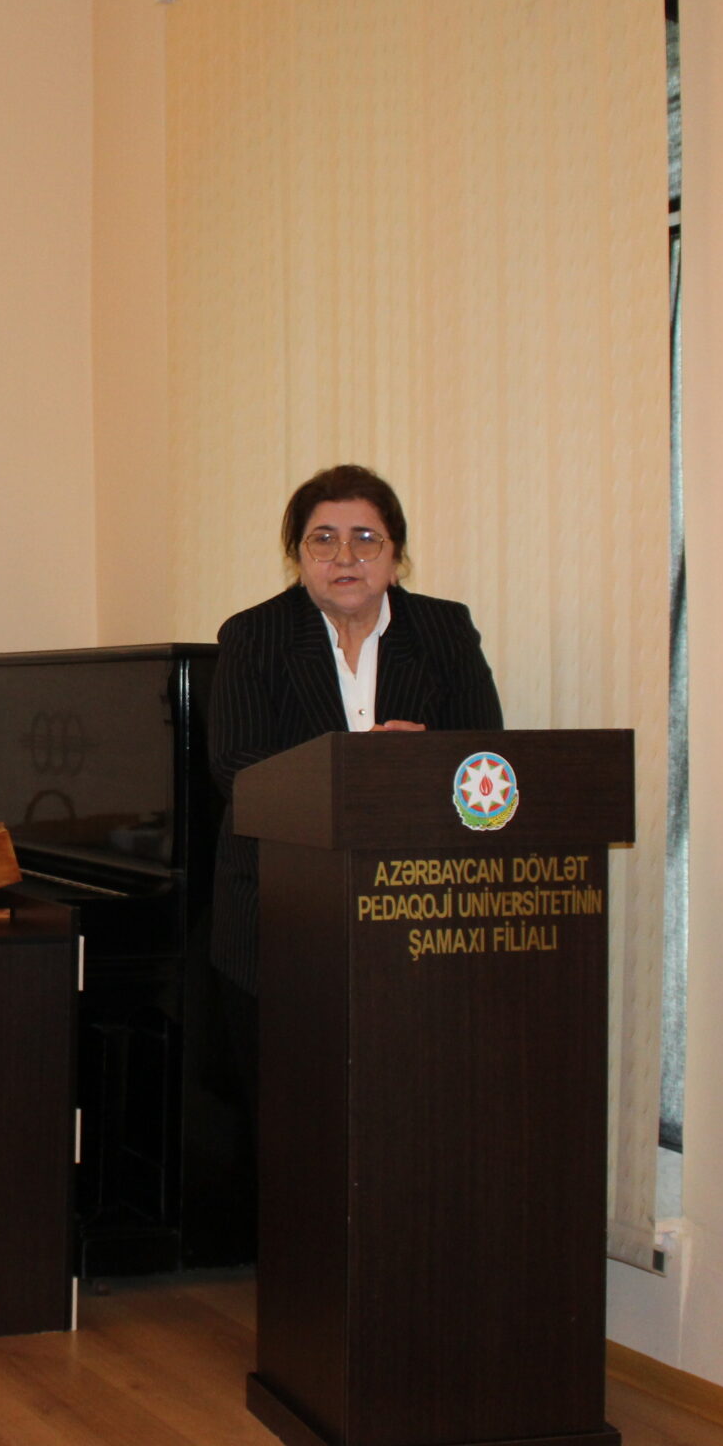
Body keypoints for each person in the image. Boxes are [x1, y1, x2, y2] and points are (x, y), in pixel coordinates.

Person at [206, 464, 503, 1103]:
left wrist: (424, 760)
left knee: (404, 1102)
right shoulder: (254, 635)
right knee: (289, 1110)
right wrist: (361, 770)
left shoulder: (444, 630)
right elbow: (237, 767)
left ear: (396, 556)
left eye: (366, 538)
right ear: (298, 558)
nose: (345, 556)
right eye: (324, 539)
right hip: (281, 913)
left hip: (414, 913)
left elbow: (486, 756)